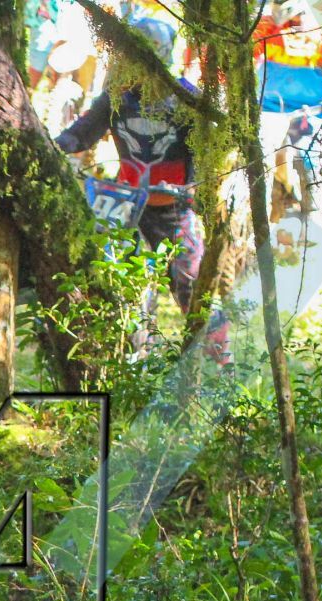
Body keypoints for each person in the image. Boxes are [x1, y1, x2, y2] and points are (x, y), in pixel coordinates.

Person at [54, 17, 230, 356]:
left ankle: (222, 362)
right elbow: (80, 134)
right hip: (127, 209)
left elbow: (205, 151)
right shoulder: (116, 99)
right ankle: (136, 363)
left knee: (191, 282)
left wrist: (194, 186)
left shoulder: (185, 98)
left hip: (174, 209)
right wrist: (49, 145)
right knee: (130, 291)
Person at [253, 0, 322, 218]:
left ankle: (314, 210)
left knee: (307, 157)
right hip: (269, 108)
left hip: (313, 110)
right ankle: (264, 211)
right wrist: (273, 23)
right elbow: (246, 53)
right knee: (260, 158)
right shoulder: (266, 26)